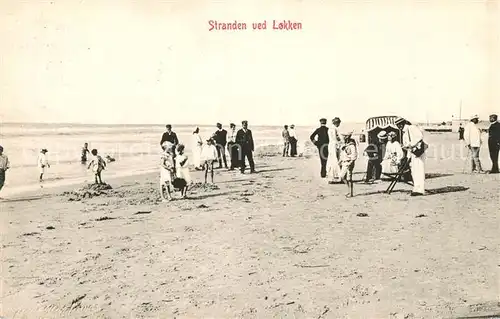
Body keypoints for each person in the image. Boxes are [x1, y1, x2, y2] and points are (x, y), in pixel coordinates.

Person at [395, 117, 427, 196]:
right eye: (398, 125)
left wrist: (409, 144)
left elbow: (419, 137)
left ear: (403, 123)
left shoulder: (411, 128)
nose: (399, 126)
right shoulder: (404, 132)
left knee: (419, 171)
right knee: (414, 171)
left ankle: (420, 190)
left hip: (418, 153)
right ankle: (416, 188)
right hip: (413, 153)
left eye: (400, 124)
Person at [339, 131, 358, 197]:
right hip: (344, 162)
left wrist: (351, 162)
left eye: (345, 136)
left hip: (349, 162)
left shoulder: (352, 145)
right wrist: (340, 160)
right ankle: (349, 190)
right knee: (342, 176)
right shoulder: (344, 144)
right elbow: (342, 154)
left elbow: (354, 154)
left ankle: (351, 192)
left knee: (349, 178)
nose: (343, 137)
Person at [327, 117, 342, 184]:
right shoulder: (334, 129)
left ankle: (332, 176)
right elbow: (335, 138)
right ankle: (336, 176)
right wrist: (339, 143)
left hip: (331, 145)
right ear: (337, 123)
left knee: (331, 160)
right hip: (334, 145)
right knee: (335, 160)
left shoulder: (330, 128)